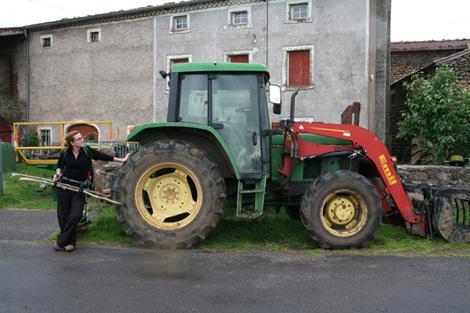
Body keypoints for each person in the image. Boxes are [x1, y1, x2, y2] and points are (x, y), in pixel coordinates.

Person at [52, 131, 129, 252]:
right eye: (78, 139)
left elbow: (102, 156)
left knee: (76, 214)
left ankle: (61, 240)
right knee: (63, 216)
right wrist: (57, 175)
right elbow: (59, 166)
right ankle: (71, 242)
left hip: (79, 188)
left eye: (81, 137)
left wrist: (121, 160)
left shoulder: (87, 151)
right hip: (64, 187)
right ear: (72, 143)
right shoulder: (65, 153)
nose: (82, 140)